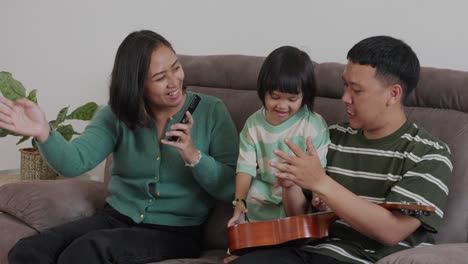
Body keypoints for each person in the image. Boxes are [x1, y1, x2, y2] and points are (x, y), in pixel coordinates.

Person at [0, 30, 239, 264]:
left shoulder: (212, 111)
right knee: (29, 250)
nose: (174, 82)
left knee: (87, 251)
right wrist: (44, 133)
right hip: (116, 218)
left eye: (176, 68)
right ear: (137, 84)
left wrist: (194, 156)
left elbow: (231, 188)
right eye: (159, 78)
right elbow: (75, 162)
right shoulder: (116, 114)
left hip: (175, 232)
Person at [232, 36, 452, 264]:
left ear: (393, 94)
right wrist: (291, 186)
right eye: (345, 85)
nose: (344, 98)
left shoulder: (430, 154)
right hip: (312, 252)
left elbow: (391, 231)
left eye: (356, 90)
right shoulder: (331, 136)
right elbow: (300, 219)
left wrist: (321, 183)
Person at [227, 46, 330, 226]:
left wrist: (317, 196)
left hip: (297, 198)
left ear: (304, 95)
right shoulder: (253, 125)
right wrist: (239, 202)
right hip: (260, 199)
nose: (282, 106)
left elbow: (318, 169)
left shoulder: (313, 125)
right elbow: (245, 168)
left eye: (292, 100)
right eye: (275, 97)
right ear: (263, 90)